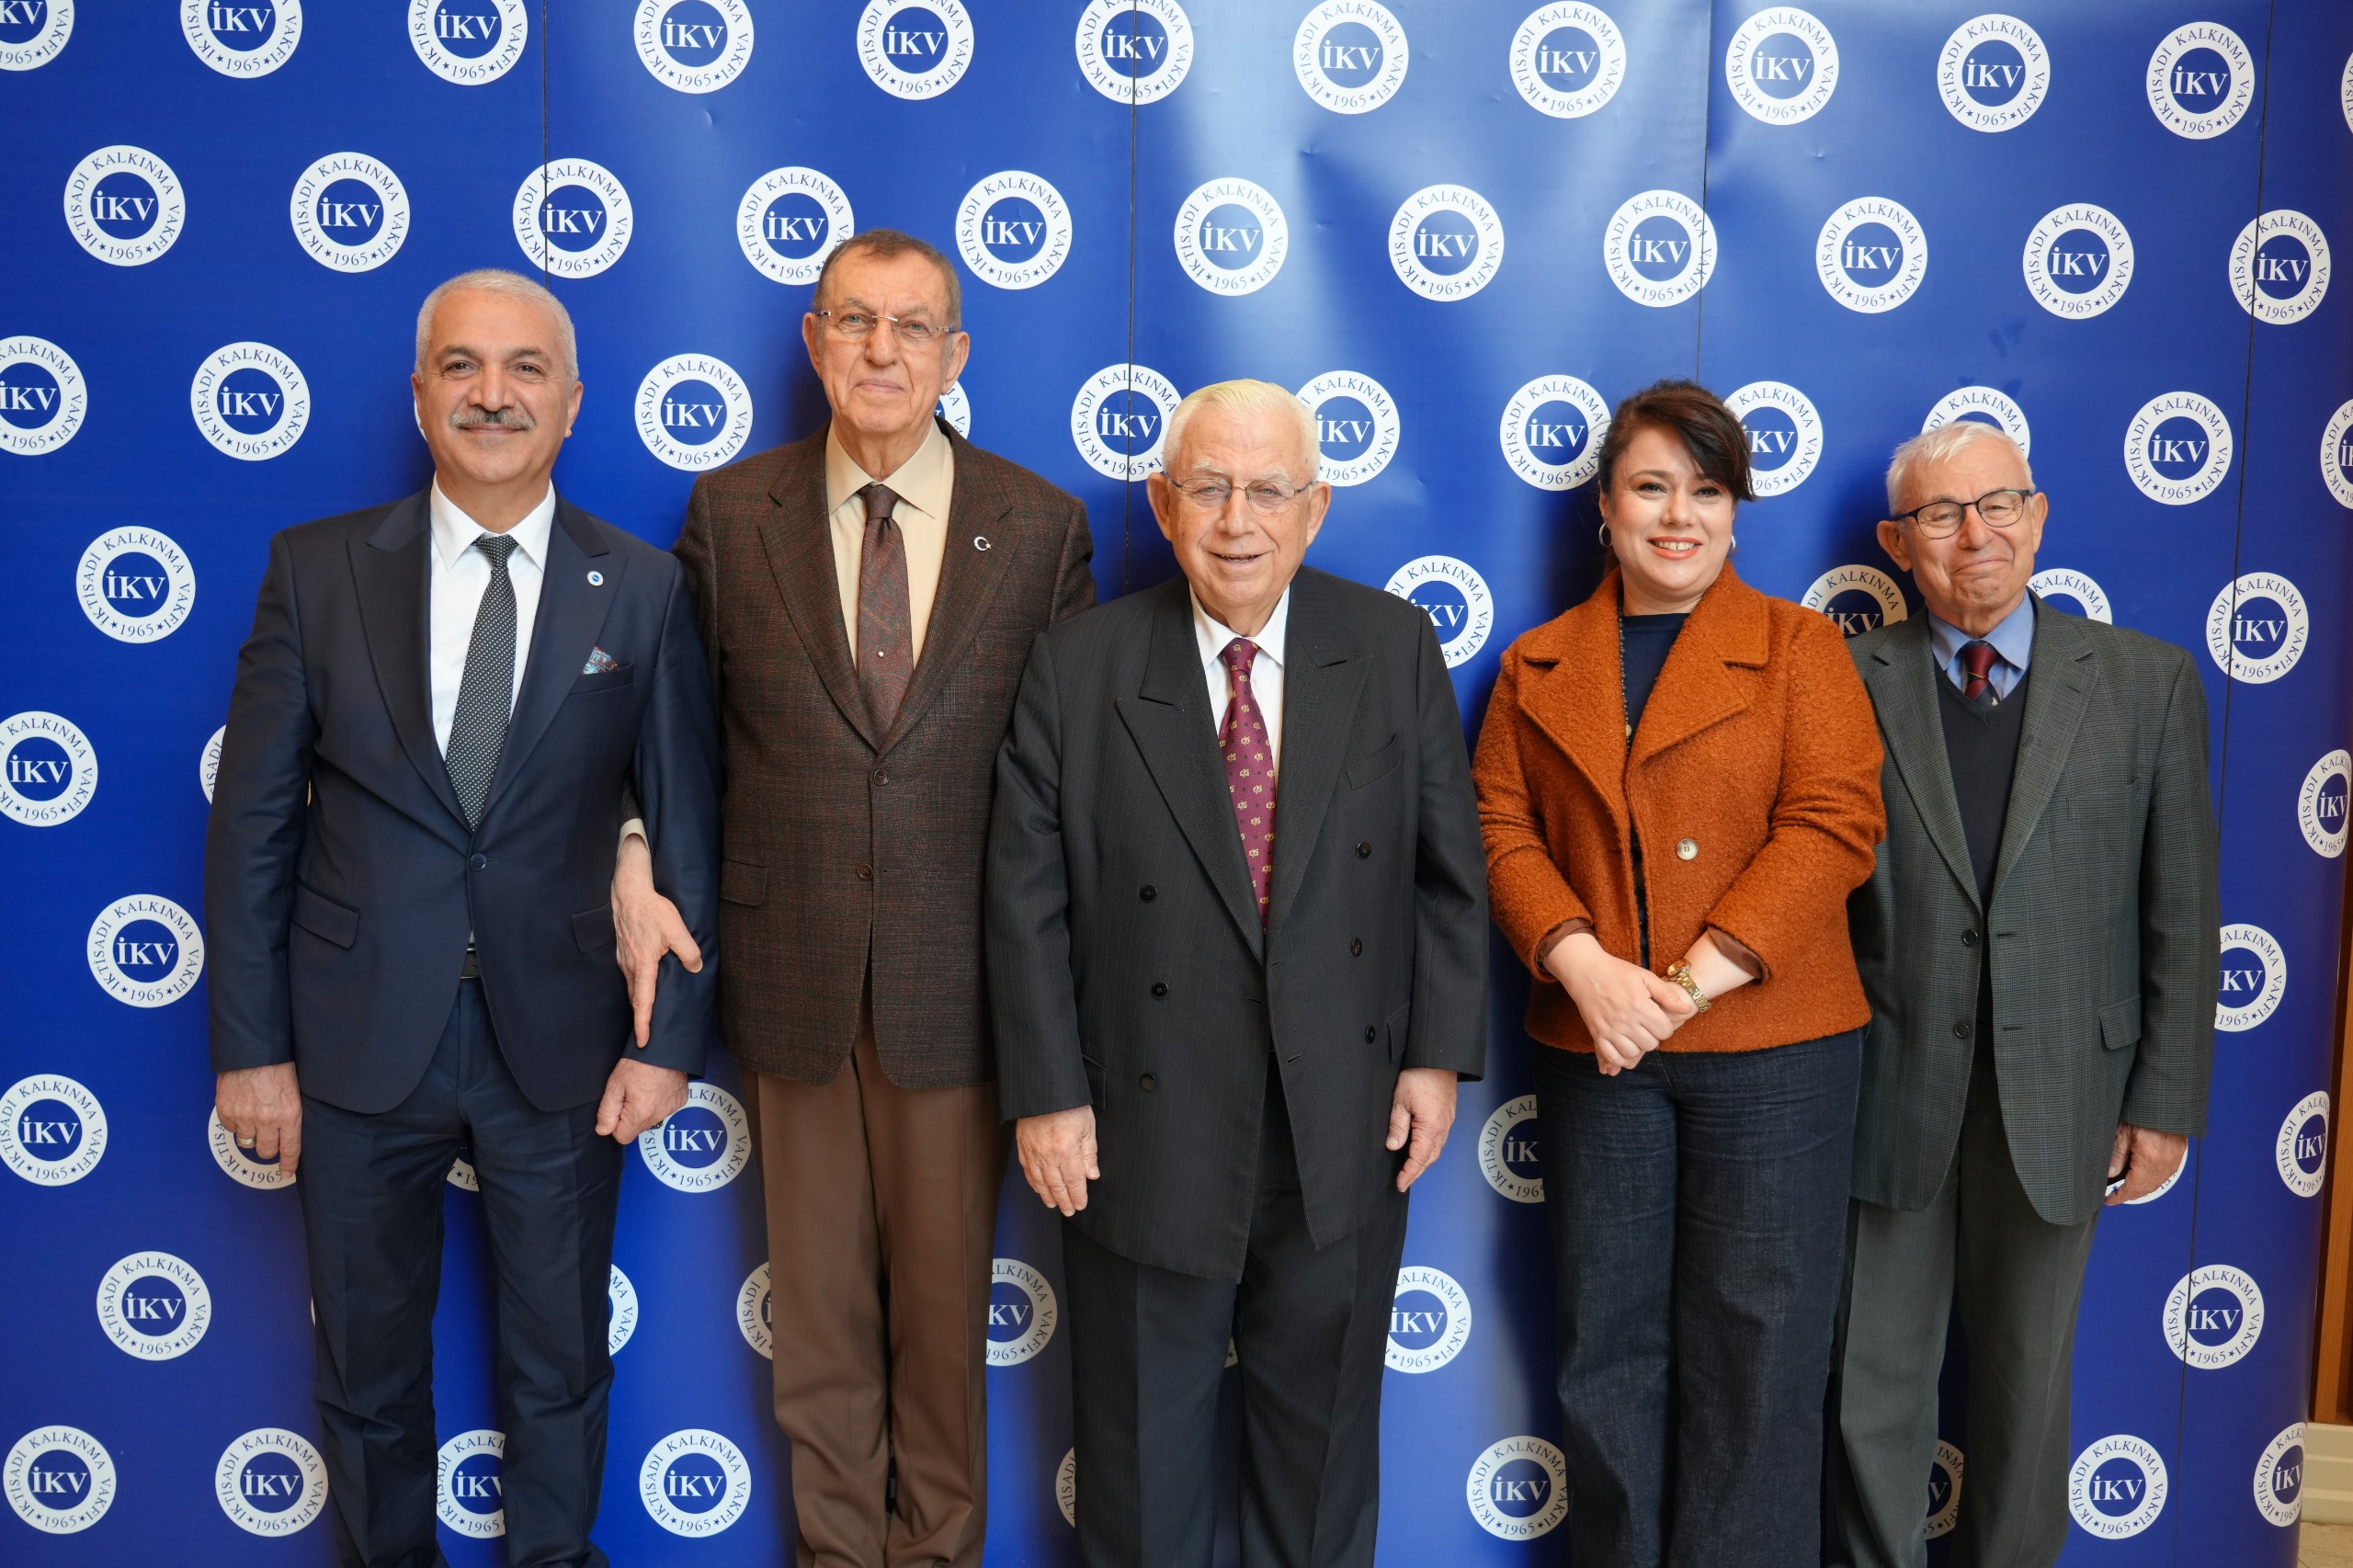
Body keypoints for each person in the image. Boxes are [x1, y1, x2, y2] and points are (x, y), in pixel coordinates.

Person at [206, 268, 720, 1568]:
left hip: (562, 1040)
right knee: (367, 1363)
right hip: (355, 1032)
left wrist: (669, 1043)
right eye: (462, 366)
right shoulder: (316, 570)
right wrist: (251, 1049)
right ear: (420, 394)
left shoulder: (643, 586)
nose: (494, 393)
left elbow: (684, 825)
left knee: (560, 1359)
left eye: (525, 367)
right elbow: (253, 827)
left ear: (572, 401)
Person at [615, 228, 1095, 1568]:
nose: (882, 350)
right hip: (792, 977)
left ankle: (936, 1553)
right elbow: (677, 739)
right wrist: (634, 842)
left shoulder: (1041, 525)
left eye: (911, 326)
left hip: (964, 986)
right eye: (854, 321)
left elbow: (1069, 784)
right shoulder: (732, 512)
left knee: (942, 1328)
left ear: (955, 353)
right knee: (818, 1328)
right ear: (815, 342)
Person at [987, 378, 1488, 1567]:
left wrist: (1434, 1055)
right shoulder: (1079, 664)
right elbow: (1024, 900)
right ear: (1163, 505)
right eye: (1208, 487)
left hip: (1343, 1126)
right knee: (1139, 1476)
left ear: (1316, 508)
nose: (1237, 519)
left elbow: (1447, 874)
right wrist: (1047, 1093)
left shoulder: (1391, 646)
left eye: (1268, 490)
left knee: (1319, 1478)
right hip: (1137, 1128)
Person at [1472, 379, 1885, 1566]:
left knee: (1759, 1346)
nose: (1677, 515)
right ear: (1604, 507)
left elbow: (1834, 822)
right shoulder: (1536, 664)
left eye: (1706, 490)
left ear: (1735, 512)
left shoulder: (1802, 646)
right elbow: (1498, 827)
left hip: (1776, 1051)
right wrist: (1583, 965)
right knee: (1606, 1343)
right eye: (1650, 486)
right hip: (1598, 1045)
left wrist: (1688, 984)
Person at [1826, 421, 2218, 1568]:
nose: (1975, 535)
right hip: (1883, 1091)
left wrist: (2162, 1101)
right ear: (1897, 542)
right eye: (1941, 514)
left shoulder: (2146, 682)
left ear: (2037, 516)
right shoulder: (1842, 680)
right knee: (1869, 1389)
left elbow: (2181, 909)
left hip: (2064, 1098)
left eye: (1998, 504)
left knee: (2025, 1391)